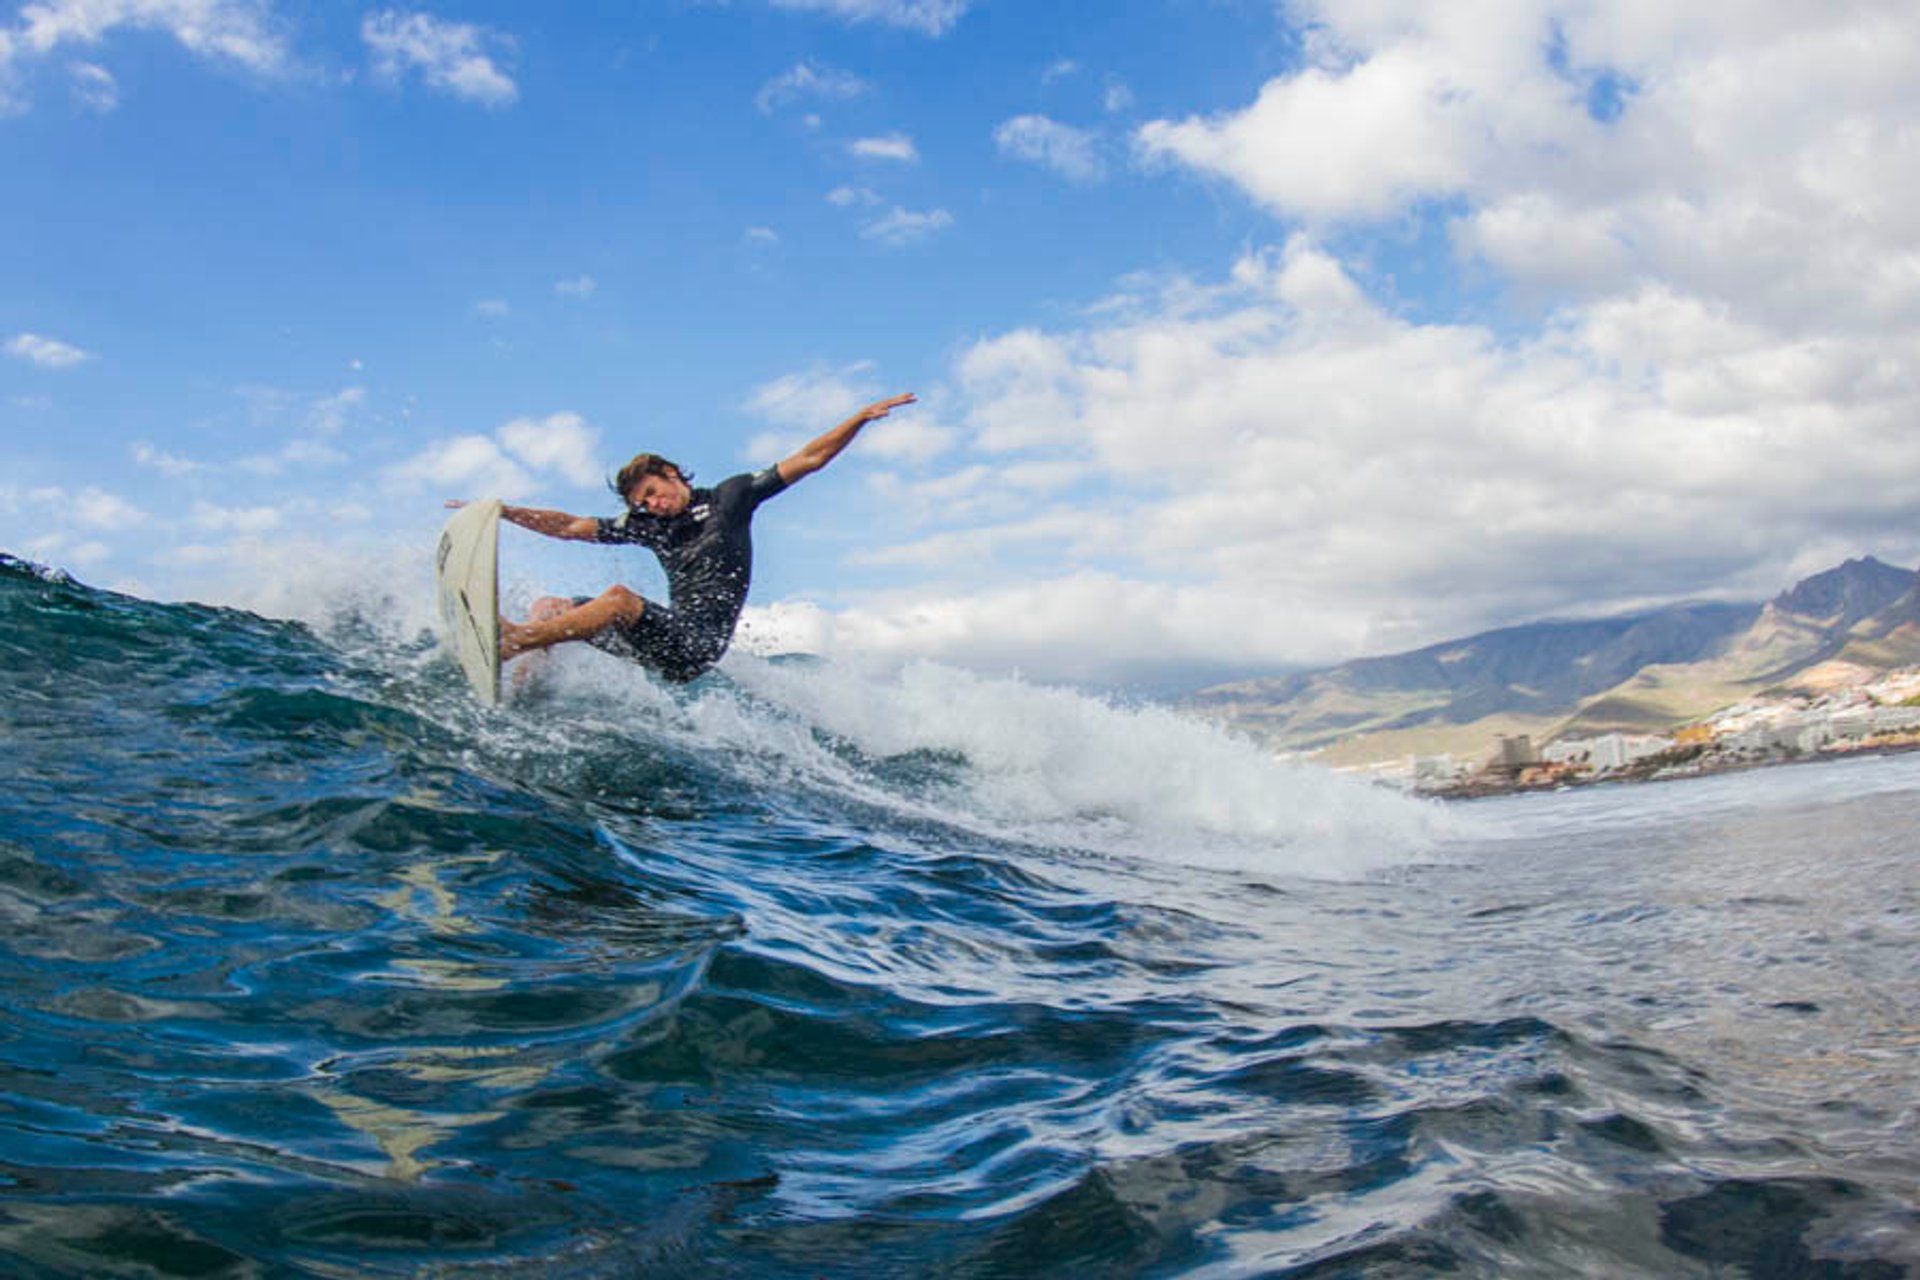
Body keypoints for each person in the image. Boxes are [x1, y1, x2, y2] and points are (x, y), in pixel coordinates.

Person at [448, 393, 914, 684]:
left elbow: (809, 459)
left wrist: (858, 419)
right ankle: (519, 689)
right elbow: (570, 527)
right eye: (641, 502)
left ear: (670, 475)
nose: (649, 505)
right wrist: (504, 512)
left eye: (651, 493)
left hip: (698, 646)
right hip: (660, 642)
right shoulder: (648, 526)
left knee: (618, 599)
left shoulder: (731, 498)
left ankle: (514, 641)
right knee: (552, 606)